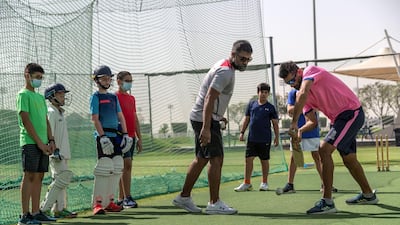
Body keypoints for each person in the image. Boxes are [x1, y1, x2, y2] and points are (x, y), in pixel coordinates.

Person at [278, 61, 378, 214]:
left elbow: (303, 93)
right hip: (338, 119)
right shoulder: (301, 95)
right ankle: (368, 194)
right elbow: (312, 121)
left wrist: (293, 124)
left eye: (292, 81)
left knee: (323, 150)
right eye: (288, 84)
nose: (292, 85)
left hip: (350, 112)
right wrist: (300, 131)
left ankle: (327, 202)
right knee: (349, 159)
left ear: (298, 72)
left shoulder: (310, 71)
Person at [172, 40, 253, 215]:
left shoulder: (224, 66)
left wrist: (218, 116)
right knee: (216, 158)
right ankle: (214, 203)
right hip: (204, 119)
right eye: (242, 58)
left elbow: (213, 99)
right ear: (233, 54)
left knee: (201, 158)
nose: (245, 62)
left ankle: (184, 197)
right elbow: (209, 98)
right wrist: (207, 127)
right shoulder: (225, 71)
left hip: (205, 117)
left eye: (248, 59)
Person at [16, 63, 57, 224]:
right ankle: (25, 216)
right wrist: (39, 143)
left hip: (44, 143)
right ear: (27, 75)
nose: (39, 80)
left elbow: (45, 121)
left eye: (41, 78)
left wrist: (51, 140)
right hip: (30, 142)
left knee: (39, 176)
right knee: (29, 175)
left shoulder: (40, 97)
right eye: (37, 77)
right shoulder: (23, 95)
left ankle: (35, 211)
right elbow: (25, 120)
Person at [89, 65, 133, 215]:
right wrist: (102, 137)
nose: (107, 80)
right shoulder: (96, 97)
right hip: (104, 137)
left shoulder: (113, 97)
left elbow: (120, 116)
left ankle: (109, 202)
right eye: (103, 78)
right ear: (96, 80)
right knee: (104, 167)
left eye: (109, 78)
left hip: (117, 136)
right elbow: (95, 119)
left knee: (117, 166)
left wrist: (126, 135)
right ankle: (97, 204)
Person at [276, 88, 337, 194]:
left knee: (317, 156)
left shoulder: (312, 90)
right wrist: (304, 106)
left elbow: (317, 108)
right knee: (294, 157)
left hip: (312, 131)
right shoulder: (293, 92)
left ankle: (325, 184)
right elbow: (290, 110)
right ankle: (290, 185)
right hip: (296, 130)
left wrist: (303, 107)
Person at [39, 83, 77, 218]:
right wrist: (54, 151)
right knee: (61, 179)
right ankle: (44, 209)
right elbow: (50, 134)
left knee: (61, 181)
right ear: (51, 97)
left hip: (63, 153)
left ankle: (59, 209)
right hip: (56, 153)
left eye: (63, 95)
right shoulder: (51, 112)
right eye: (60, 94)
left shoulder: (59, 112)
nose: (63, 97)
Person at [234, 83, 279, 192]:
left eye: (266, 92)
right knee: (248, 160)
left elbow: (275, 124)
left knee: (264, 160)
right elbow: (247, 119)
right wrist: (242, 132)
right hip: (252, 138)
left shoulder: (270, 108)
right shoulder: (251, 105)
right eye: (261, 92)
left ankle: (264, 182)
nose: (263, 94)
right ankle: (247, 183)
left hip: (265, 139)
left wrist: (277, 137)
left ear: (268, 94)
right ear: (258, 93)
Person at [115, 71, 143, 208]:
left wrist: (139, 138)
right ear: (118, 81)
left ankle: (122, 197)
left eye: (131, 81)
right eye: (127, 80)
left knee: (126, 166)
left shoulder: (131, 98)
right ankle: (126, 197)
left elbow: (134, 118)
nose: (129, 83)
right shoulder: (114, 97)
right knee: (125, 165)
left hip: (131, 136)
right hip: (120, 136)